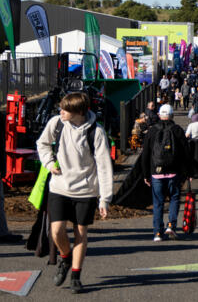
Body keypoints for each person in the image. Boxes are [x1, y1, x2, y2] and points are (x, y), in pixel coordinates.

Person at [36, 92, 113, 294]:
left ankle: (76, 275)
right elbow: (42, 144)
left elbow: (104, 166)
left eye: (65, 109)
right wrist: (49, 163)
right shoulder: (57, 123)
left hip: (86, 190)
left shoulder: (96, 132)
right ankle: (65, 256)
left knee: (81, 232)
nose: (60, 112)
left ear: (79, 112)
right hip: (59, 187)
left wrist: (104, 199)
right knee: (56, 231)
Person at [141, 104, 192, 241]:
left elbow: (145, 154)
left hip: (156, 172)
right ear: (171, 115)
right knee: (174, 197)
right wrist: (188, 172)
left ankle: (157, 232)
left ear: (159, 115)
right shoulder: (177, 130)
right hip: (174, 171)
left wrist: (146, 174)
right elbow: (186, 153)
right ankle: (171, 225)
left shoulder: (152, 131)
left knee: (158, 202)